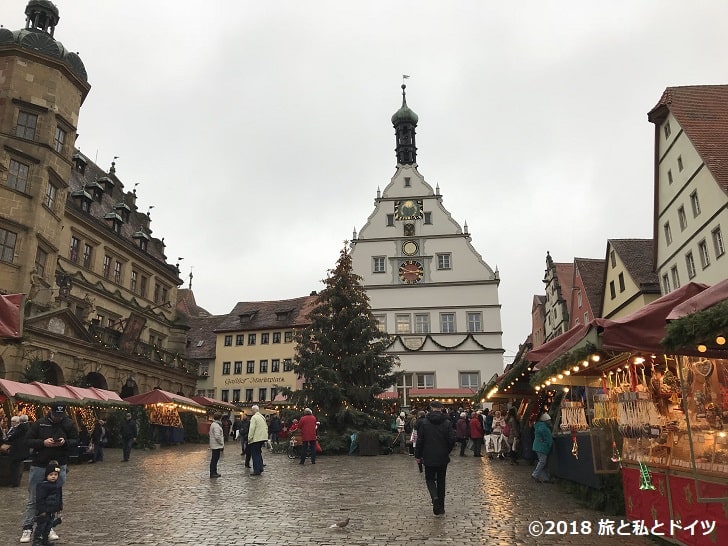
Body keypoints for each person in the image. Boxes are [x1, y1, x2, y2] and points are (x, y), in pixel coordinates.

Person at [20, 401, 79, 544]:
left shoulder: (69, 424)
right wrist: (43, 443)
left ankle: (48, 525)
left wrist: (65, 442)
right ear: (51, 411)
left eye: (60, 415)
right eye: (55, 414)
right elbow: (27, 441)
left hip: (59, 465)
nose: (58, 417)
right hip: (40, 464)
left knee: (53, 498)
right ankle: (27, 527)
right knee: (34, 497)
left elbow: (76, 440)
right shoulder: (40, 423)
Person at [414, 401, 455, 516]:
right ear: (441, 408)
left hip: (428, 455)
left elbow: (420, 441)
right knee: (441, 481)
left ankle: (434, 497)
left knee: (430, 479)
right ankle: (441, 507)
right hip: (442, 456)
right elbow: (452, 439)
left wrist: (417, 455)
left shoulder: (424, 423)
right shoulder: (447, 422)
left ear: (431, 408)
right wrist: (447, 450)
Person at [32, 461, 63, 546]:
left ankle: (45, 540)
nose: (53, 476)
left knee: (48, 527)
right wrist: (41, 510)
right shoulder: (42, 486)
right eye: (51, 474)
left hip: (52, 510)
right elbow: (40, 499)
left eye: (55, 474)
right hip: (44, 511)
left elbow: (59, 497)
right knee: (41, 526)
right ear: (46, 475)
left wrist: (59, 507)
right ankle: (37, 541)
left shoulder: (58, 486)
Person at [1, 415, 30, 487]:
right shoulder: (26, 427)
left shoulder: (21, 428)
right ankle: (15, 481)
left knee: (15, 466)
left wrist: (6, 441)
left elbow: (13, 437)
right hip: (19, 450)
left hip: (17, 450)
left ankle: (14, 482)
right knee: (16, 466)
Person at [532, 412, 554, 483]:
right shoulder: (545, 428)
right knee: (542, 462)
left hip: (537, 446)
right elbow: (548, 439)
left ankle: (545, 478)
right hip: (542, 447)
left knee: (543, 462)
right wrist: (549, 445)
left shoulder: (539, 426)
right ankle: (535, 474)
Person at [247, 405, 268, 476]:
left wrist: (249, 438)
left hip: (256, 438)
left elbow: (252, 429)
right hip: (262, 438)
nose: (251, 411)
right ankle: (260, 467)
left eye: (251, 410)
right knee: (258, 453)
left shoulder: (254, 417)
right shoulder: (262, 417)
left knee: (255, 454)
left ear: (254, 410)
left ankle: (256, 470)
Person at [209, 412, 224, 478]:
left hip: (214, 444)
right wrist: (221, 443)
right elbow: (217, 436)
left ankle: (214, 472)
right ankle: (213, 473)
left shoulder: (214, 424)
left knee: (214, 459)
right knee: (215, 459)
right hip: (216, 445)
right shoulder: (216, 425)